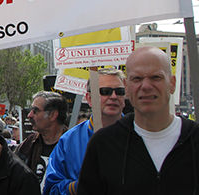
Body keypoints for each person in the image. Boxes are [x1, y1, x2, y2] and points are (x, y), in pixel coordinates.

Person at [78, 47, 199, 194]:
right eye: (137, 79)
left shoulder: (194, 139)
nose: (146, 86)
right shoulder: (103, 144)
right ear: (127, 87)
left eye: (156, 77)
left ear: (172, 83)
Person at [43, 68, 126, 195]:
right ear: (89, 98)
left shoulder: (140, 135)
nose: (113, 96)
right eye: (105, 91)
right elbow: (51, 189)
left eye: (119, 91)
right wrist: (81, 185)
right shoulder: (69, 141)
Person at [15, 91, 68, 186]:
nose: (29, 115)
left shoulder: (73, 145)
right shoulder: (29, 143)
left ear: (53, 115)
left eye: (35, 111)